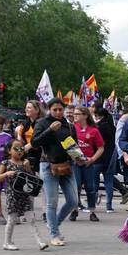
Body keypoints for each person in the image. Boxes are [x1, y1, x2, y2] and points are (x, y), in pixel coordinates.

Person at [32, 98, 80, 247]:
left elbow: (73, 146)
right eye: (55, 110)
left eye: (60, 109)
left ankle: (55, 225)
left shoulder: (69, 125)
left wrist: (80, 158)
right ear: (49, 109)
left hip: (66, 165)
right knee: (52, 202)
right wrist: (50, 130)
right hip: (48, 165)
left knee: (73, 201)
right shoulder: (42, 123)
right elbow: (34, 143)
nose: (58, 112)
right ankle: (54, 234)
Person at [0, 140, 48, 251]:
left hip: (25, 195)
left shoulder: (25, 162)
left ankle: (40, 242)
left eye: (21, 148)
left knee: (31, 219)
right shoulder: (5, 163)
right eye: (16, 148)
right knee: (12, 220)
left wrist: (28, 167)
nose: (19, 151)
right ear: (9, 150)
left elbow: (32, 178)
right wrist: (6, 173)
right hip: (12, 196)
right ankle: (7, 242)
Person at [71, 107, 106, 222]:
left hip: (88, 163)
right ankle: (74, 209)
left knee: (90, 188)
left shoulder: (93, 130)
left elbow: (101, 148)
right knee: (75, 187)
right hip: (75, 163)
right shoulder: (72, 128)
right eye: (74, 114)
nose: (75, 116)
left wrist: (92, 159)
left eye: (78, 114)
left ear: (85, 115)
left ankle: (92, 211)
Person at [93, 105, 120, 212]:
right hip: (110, 158)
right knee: (109, 181)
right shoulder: (113, 127)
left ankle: (93, 202)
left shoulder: (97, 127)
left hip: (97, 157)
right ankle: (109, 205)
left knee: (94, 181)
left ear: (98, 116)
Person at [18, 100, 44, 171]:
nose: (26, 109)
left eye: (29, 107)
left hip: (42, 154)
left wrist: (30, 145)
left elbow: (43, 138)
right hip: (28, 154)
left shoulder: (43, 123)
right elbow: (20, 140)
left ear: (37, 110)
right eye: (26, 107)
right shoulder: (24, 124)